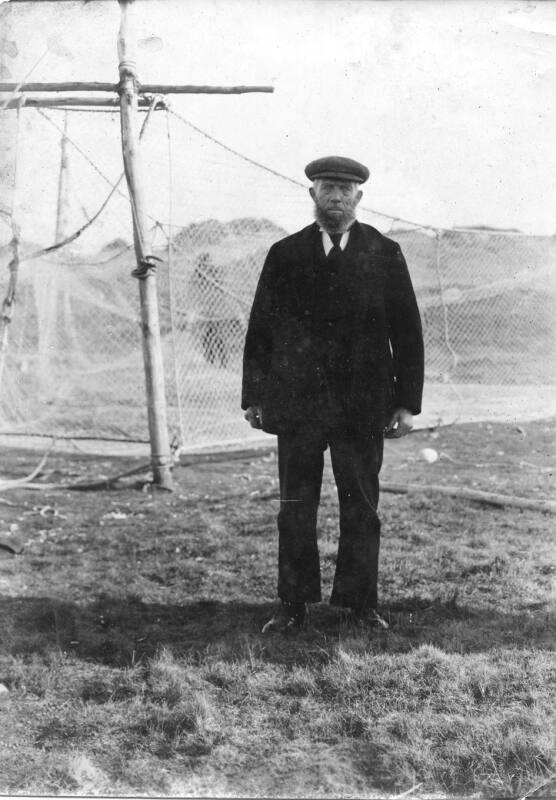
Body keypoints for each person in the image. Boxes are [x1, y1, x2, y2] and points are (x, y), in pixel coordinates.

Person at [242, 156, 424, 633]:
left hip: (362, 408)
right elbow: (261, 327)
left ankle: (361, 605)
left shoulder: (385, 252)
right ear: (313, 195)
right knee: (295, 508)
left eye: (346, 190)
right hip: (298, 404)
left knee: (361, 505)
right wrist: (255, 395)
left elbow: (407, 332)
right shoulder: (285, 253)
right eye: (328, 188)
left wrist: (406, 402)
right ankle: (292, 605)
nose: (337, 197)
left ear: (359, 198)